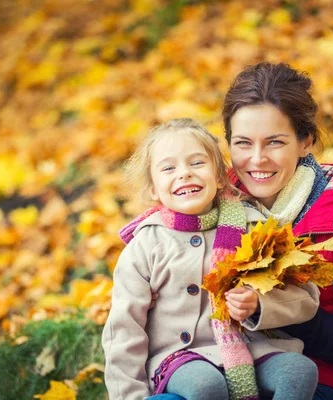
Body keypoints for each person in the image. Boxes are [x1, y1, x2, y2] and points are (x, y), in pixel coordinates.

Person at [102, 118, 320, 400]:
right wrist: (128, 395)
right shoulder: (146, 244)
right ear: (153, 189)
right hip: (180, 358)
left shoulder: (254, 228)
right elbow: (124, 328)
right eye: (169, 168)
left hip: (252, 348)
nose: (184, 174)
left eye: (197, 163)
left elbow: (306, 296)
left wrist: (259, 304)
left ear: (219, 177)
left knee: (299, 371)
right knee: (205, 385)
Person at [221, 62, 333, 400]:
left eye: (274, 142)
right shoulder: (219, 206)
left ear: (305, 141)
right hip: (231, 372)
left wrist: (277, 311)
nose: (257, 159)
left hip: (328, 384)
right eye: (243, 143)